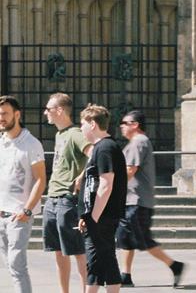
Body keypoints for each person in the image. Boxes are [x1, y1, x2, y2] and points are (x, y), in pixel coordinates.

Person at [116, 110, 185, 287]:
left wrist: (111, 188)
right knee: (125, 239)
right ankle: (126, 275)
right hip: (131, 199)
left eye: (125, 123)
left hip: (137, 200)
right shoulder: (137, 142)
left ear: (135, 124)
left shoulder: (138, 142)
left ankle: (175, 266)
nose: (121, 127)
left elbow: (130, 171)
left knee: (143, 240)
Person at [43, 92, 92, 293]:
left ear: (60, 110)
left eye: (49, 109)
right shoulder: (59, 134)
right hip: (52, 198)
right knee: (58, 251)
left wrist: (83, 176)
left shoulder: (75, 134)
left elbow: (94, 153)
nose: (46, 112)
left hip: (67, 199)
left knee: (78, 251)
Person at [78, 104, 127, 293]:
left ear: (92, 124)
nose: (81, 129)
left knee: (98, 259)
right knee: (102, 260)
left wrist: (93, 217)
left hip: (102, 216)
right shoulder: (102, 147)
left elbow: (106, 184)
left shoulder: (105, 147)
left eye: (82, 124)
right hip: (100, 215)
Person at [0, 95, 46, 293]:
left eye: (4, 114)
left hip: (19, 215)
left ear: (17, 115)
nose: (0, 118)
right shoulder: (1, 142)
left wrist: (26, 210)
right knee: (10, 266)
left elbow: (40, 180)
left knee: (17, 266)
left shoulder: (31, 144)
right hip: (1, 213)